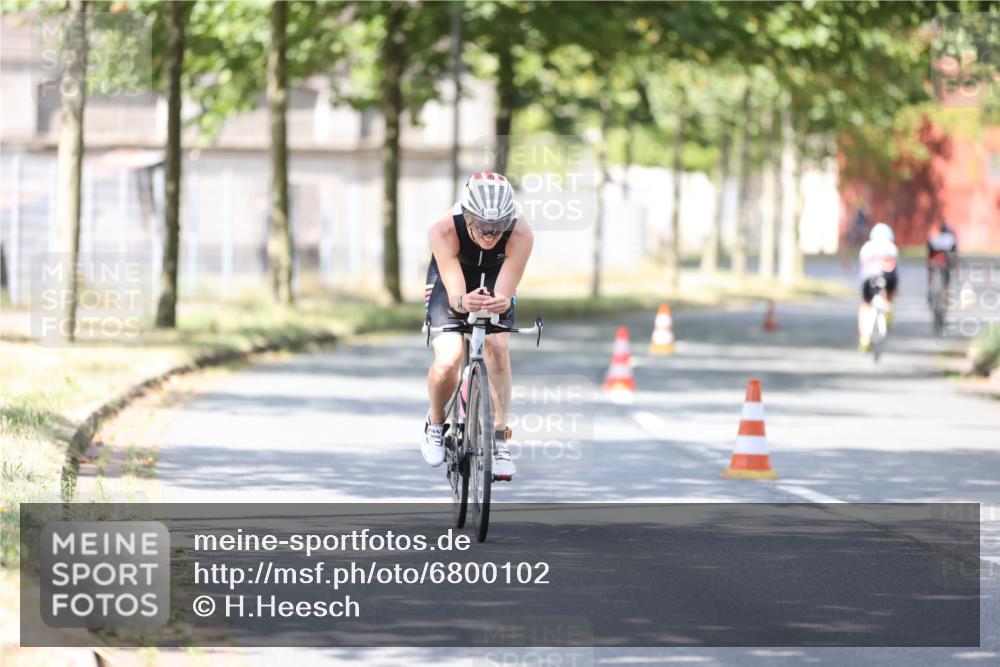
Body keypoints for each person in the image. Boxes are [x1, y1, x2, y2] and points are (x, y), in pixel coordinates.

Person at [422, 172, 534, 481]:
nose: (490, 233)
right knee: (449, 359)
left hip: (496, 277)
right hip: (453, 282)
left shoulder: (521, 233)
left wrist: (501, 302)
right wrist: (462, 301)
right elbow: (456, 297)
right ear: (468, 216)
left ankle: (499, 439)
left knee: (497, 346)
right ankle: (435, 423)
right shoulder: (445, 229)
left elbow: (504, 294)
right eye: (483, 225)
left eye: (498, 226)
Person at [857, 222, 899, 352]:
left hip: (869, 278)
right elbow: (894, 267)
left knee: (865, 306)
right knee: (891, 289)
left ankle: (864, 339)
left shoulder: (866, 247)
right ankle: (889, 307)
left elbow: (863, 266)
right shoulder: (892, 248)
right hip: (888, 277)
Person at [927, 219, 958, 298]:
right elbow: (954, 254)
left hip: (935, 261)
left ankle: (930, 285)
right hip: (945, 263)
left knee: (931, 270)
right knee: (946, 281)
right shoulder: (951, 239)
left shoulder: (935, 238)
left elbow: (930, 250)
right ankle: (946, 297)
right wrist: (956, 266)